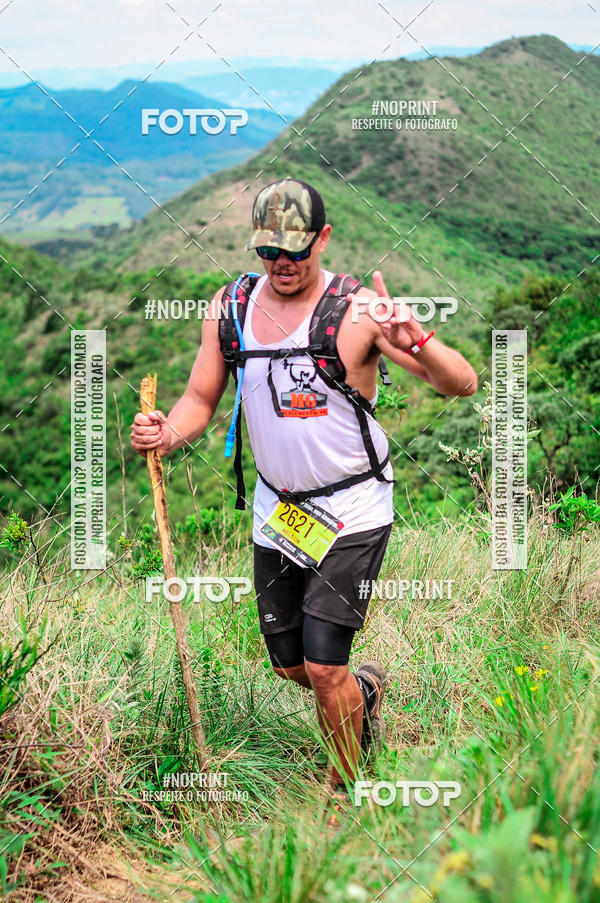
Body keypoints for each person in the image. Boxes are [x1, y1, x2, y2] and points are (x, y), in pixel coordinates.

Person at [131, 177, 478, 822]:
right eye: (270, 252)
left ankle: (341, 793)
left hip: (354, 506)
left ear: (323, 238)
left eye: (296, 250)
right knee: (290, 663)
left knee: (322, 666)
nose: (282, 264)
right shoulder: (229, 308)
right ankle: (365, 691)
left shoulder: (358, 313)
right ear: (255, 245)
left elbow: (463, 385)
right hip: (280, 511)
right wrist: (164, 435)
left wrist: (420, 340)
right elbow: (200, 401)